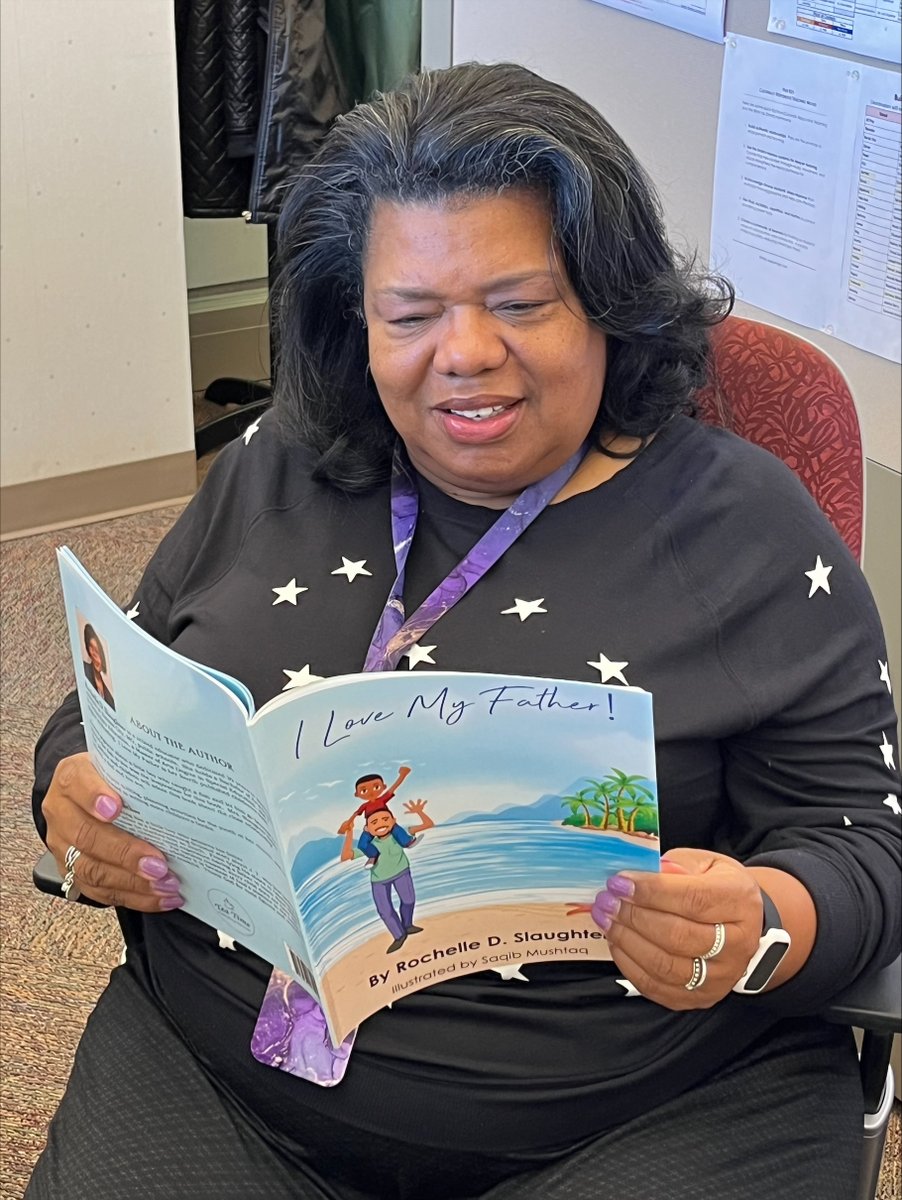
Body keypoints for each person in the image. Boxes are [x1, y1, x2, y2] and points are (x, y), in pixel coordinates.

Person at [29, 62, 900, 1200]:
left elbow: (863, 847)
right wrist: (78, 801)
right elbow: (107, 699)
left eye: (519, 303)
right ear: (359, 322)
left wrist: (757, 924)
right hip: (222, 1074)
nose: (466, 353)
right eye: (411, 313)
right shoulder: (275, 463)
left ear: (608, 302)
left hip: (641, 1111)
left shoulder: (744, 528)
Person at [340, 800, 434, 951]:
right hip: (379, 880)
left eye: (385, 819)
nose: (380, 824)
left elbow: (428, 824)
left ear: (393, 820)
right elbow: (345, 856)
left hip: (402, 872)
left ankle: (408, 925)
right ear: (367, 828)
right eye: (374, 822)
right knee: (385, 911)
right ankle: (399, 936)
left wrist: (419, 811)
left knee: (409, 901)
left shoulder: (399, 835)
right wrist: (349, 832)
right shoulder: (370, 844)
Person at [81, 623, 115, 709]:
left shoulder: (111, 700)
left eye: (97, 651)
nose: (96, 658)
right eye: (92, 650)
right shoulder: (83, 670)